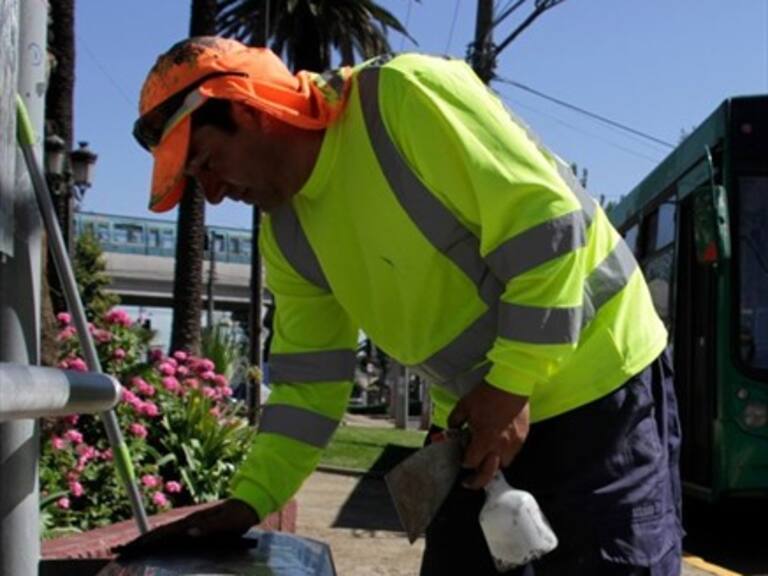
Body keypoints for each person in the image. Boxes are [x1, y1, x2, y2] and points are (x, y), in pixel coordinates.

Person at [122, 36, 683, 575]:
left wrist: (513, 384)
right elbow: (309, 388)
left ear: (246, 109)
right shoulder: (287, 234)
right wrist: (248, 503)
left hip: (603, 393)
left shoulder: (403, 98)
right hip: (479, 422)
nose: (214, 193)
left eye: (207, 163)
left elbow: (547, 228)